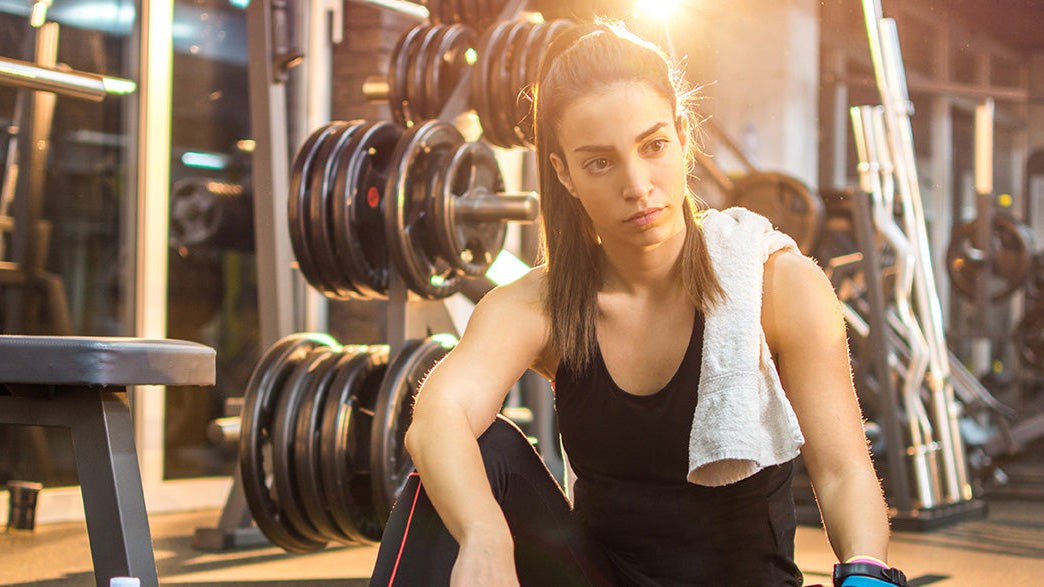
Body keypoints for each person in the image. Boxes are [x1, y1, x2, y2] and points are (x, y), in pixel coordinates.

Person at [369, 21, 907, 587]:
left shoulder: (779, 286)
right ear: (565, 174)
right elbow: (436, 418)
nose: (637, 185)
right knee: (474, 451)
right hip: (601, 579)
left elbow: (844, 469)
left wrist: (866, 574)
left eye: (653, 146)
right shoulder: (541, 305)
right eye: (600, 161)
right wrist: (485, 536)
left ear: (681, 136)